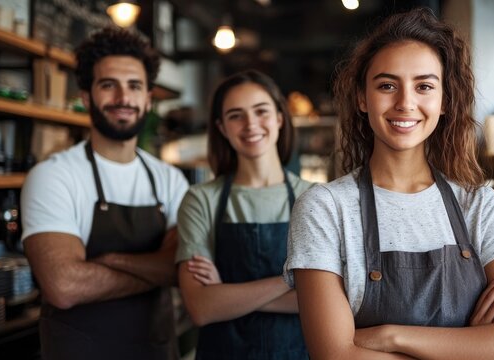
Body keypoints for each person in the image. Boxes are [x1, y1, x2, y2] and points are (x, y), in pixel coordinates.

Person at [284, 8, 494, 360]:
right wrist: (472, 347)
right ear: (362, 98)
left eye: (424, 86)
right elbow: (335, 356)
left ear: (444, 102)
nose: (405, 103)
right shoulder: (324, 208)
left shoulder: (479, 204)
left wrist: (391, 337)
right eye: (387, 85)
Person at [20, 27, 189, 360]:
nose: (123, 98)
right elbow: (64, 287)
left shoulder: (169, 180)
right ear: (86, 97)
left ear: (148, 99)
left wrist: (111, 261)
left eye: (134, 86)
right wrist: (158, 268)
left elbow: (183, 269)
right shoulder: (54, 176)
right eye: (108, 85)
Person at [176, 70, 312, 359]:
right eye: (236, 115)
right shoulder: (201, 199)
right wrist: (290, 280)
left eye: (261, 111)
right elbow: (201, 308)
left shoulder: (315, 199)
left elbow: (332, 300)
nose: (250, 124)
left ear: (279, 118)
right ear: (222, 128)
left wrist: (226, 293)